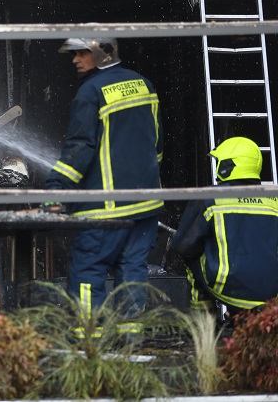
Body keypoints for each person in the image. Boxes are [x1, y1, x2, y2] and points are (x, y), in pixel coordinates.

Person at [44, 37, 164, 331]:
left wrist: (56, 190)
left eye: (81, 52)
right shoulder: (143, 84)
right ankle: (130, 344)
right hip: (146, 204)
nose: (74, 59)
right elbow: (156, 143)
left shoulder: (91, 91)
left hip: (105, 208)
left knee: (88, 270)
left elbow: (79, 148)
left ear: (102, 52)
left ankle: (90, 346)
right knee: (132, 271)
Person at [171, 136, 278, 317]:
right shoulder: (274, 199)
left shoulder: (210, 197)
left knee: (191, 260)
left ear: (229, 166)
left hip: (228, 288)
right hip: (272, 292)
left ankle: (204, 325)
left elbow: (183, 246)